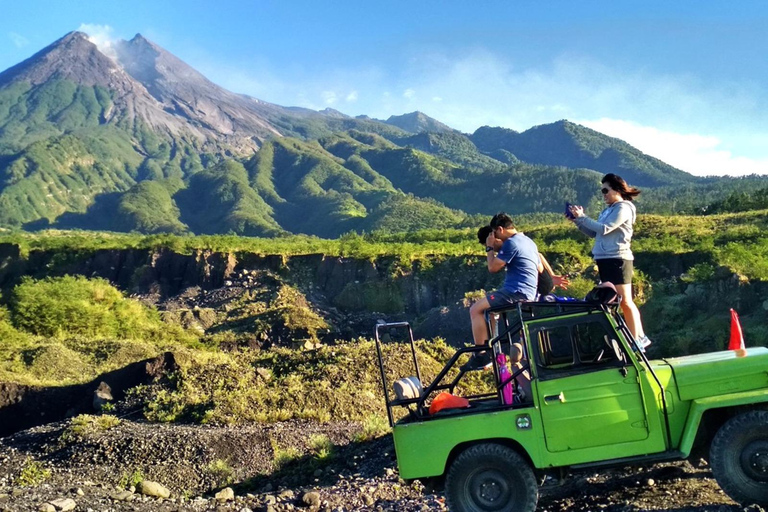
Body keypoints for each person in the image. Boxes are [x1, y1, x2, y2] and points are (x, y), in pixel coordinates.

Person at [567, 173, 651, 348]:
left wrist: (583, 217)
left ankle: (638, 339)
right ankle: (635, 337)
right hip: (604, 259)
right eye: (602, 191)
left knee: (625, 300)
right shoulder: (607, 210)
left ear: (617, 189)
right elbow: (593, 232)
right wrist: (578, 222)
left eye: (606, 190)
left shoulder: (623, 208)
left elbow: (605, 229)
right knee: (617, 300)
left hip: (618, 258)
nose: (603, 194)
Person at [462, 213, 539, 371]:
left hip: (516, 292)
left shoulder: (512, 243)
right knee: (489, 312)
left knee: (475, 309)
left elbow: (492, 268)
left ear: (500, 229)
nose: (494, 237)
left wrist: (490, 248)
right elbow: (541, 268)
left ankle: (481, 354)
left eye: (494, 234)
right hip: (528, 292)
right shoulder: (528, 241)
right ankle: (490, 349)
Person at [476, 226, 571, 297]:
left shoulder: (509, 246)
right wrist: (551, 276)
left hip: (531, 289)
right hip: (539, 284)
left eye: (486, 244)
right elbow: (539, 255)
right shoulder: (520, 242)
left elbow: (492, 267)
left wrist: (489, 247)